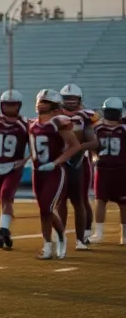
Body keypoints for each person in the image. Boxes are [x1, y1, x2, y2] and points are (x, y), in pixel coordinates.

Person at [29, 89, 82, 260]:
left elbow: (75, 146)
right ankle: (47, 247)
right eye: (40, 101)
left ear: (53, 106)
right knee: (42, 211)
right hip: (38, 172)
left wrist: (56, 162)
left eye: (45, 102)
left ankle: (60, 238)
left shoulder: (59, 122)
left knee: (47, 208)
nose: (40, 104)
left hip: (54, 172)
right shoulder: (32, 124)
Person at [0, 90, 30, 250]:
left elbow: (35, 148)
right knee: (3, 201)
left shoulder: (26, 125)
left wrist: (23, 161)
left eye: (12, 105)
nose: (9, 108)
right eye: (6, 105)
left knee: (6, 195)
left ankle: (2, 232)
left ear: (19, 106)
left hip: (13, 166)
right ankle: (7, 232)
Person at [58, 83, 99, 248]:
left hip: (79, 161)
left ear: (79, 99)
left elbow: (95, 140)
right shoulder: (55, 115)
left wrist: (79, 148)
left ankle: (84, 234)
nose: (70, 102)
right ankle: (61, 235)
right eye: (67, 98)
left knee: (80, 199)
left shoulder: (87, 116)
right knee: (60, 200)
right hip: (61, 162)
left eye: (73, 98)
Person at [91, 97, 125, 244]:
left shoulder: (123, 128)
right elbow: (93, 146)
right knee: (100, 200)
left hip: (121, 169)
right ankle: (98, 233)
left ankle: (124, 234)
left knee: (123, 202)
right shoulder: (98, 128)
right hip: (103, 168)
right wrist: (94, 156)